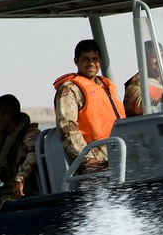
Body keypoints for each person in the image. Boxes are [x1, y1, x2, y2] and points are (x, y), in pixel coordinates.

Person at [53, 38, 126, 173]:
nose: (91, 63)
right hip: (95, 166)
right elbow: (66, 127)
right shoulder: (70, 89)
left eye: (95, 58)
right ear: (76, 61)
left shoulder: (106, 86)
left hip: (119, 159)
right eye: (86, 59)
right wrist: (87, 159)